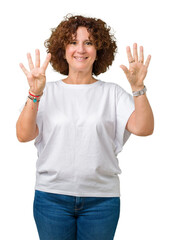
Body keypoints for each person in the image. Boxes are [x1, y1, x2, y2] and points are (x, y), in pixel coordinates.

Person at [16, 14, 154, 240]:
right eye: (73, 42)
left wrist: (138, 87)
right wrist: (34, 94)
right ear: (63, 50)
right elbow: (23, 135)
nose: (80, 49)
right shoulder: (46, 91)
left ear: (98, 50)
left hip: (101, 201)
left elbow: (144, 128)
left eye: (88, 42)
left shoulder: (112, 93)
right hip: (52, 198)